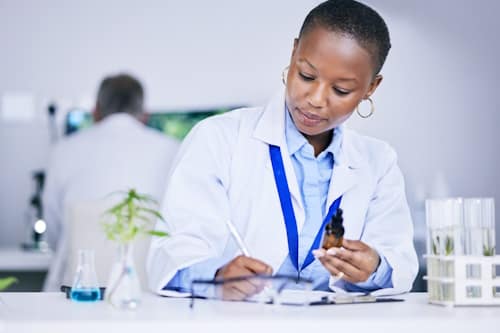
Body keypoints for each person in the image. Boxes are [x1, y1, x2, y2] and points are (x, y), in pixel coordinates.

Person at [148, 0, 418, 299]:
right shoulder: (218, 138)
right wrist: (218, 276)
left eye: (341, 90)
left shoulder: (378, 161)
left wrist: (374, 268)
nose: (316, 99)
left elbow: (399, 264)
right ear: (293, 53)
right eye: (306, 75)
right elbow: (173, 253)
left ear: (371, 88)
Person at [43, 73, 179, 291]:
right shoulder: (174, 148)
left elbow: (53, 224)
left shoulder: (64, 149)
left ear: (95, 111)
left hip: (75, 291)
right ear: (144, 114)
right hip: (151, 292)